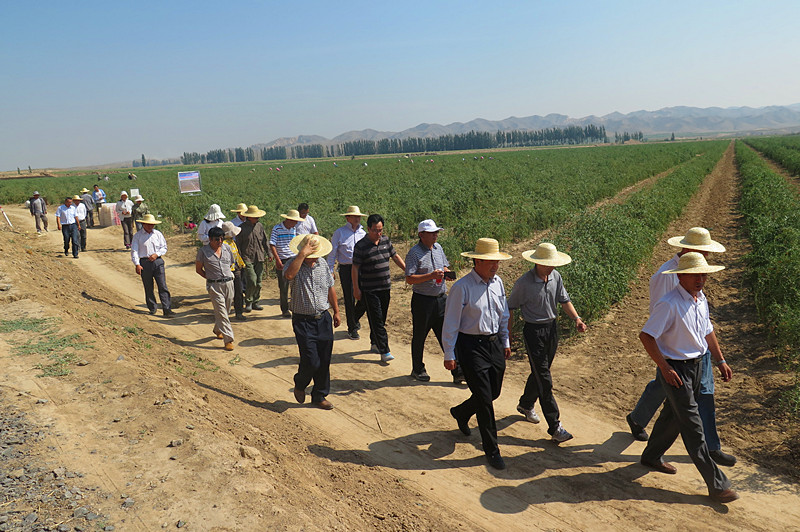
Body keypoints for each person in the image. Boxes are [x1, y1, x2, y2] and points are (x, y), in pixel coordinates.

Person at [626, 228, 736, 466]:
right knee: (670, 390)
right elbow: (658, 317)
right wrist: (664, 360)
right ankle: (706, 453)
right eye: (703, 251)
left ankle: (710, 446)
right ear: (688, 249)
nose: (706, 257)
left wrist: (719, 358)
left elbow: (701, 317)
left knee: (698, 394)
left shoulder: (696, 276)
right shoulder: (665, 276)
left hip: (697, 349)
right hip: (674, 351)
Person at [639, 252, 738, 503]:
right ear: (680, 276)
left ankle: (651, 455)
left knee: (673, 416)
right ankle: (718, 485)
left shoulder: (700, 299)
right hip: (676, 370)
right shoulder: (669, 303)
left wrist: (720, 360)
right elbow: (646, 336)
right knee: (694, 427)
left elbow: (707, 331)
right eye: (695, 275)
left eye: (703, 275)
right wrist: (664, 367)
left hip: (697, 366)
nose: (700, 279)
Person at [442, 238, 512, 470]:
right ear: (478, 261)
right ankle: (492, 450)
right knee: (484, 400)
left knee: (493, 392)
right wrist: (449, 353)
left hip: (494, 344)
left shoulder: (498, 283)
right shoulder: (462, 288)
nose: (495, 266)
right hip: (471, 346)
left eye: (497, 262)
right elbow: (451, 323)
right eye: (491, 262)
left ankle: (461, 412)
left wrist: (505, 340)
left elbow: (503, 315)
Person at [508, 243, 587, 443]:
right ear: (538, 263)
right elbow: (510, 308)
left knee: (540, 372)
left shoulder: (556, 277)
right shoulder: (524, 283)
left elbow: (564, 300)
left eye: (553, 264)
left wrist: (576, 319)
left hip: (552, 330)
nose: (552, 267)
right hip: (533, 332)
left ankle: (526, 404)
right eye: (548, 264)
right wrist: (507, 335)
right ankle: (555, 426)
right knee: (544, 378)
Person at [285, 234, 341, 410]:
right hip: (303, 321)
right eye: (310, 253)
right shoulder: (294, 263)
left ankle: (319, 395)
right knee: (311, 360)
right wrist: (302, 255)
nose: (314, 257)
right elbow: (289, 275)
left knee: (324, 359)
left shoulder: (322, 264)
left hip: (323, 318)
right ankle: (300, 383)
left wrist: (336, 311)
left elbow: (330, 288)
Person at [404, 219, 462, 383]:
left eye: (436, 232)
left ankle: (457, 371)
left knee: (447, 335)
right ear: (421, 235)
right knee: (420, 336)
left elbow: (444, 266)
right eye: (432, 233)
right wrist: (431, 276)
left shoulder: (438, 248)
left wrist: (446, 273)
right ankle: (418, 369)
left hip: (441, 299)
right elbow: (409, 278)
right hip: (422, 301)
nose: (435, 235)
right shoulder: (414, 253)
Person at [352, 214, 406, 363]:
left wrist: (407, 270)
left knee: (381, 318)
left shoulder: (386, 241)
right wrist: (356, 288)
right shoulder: (361, 246)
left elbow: (395, 256)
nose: (378, 233)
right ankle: (384, 350)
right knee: (376, 320)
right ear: (368, 229)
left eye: (380, 230)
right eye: (375, 230)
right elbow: (355, 268)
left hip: (385, 287)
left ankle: (375, 343)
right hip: (369, 289)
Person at [327, 206, 368, 340]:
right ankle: (352, 328)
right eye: (354, 216)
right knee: (349, 298)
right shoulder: (339, 233)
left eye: (359, 216)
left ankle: (354, 318)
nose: (357, 218)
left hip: (362, 268)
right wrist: (330, 270)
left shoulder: (363, 233)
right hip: (346, 268)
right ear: (347, 218)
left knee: (365, 296)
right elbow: (332, 252)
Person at [196, 227, 236, 351]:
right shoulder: (203, 252)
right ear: (210, 239)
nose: (220, 241)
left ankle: (218, 329)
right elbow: (198, 269)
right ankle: (228, 339)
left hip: (229, 283)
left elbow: (231, 263)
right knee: (221, 311)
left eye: (221, 239)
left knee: (226, 310)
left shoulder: (227, 248)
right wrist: (210, 278)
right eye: (217, 239)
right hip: (214, 286)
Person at [130, 214, 175, 317]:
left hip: (157, 262)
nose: (150, 226)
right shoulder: (138, 236)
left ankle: (167, 309)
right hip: (144, 262)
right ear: (143, 224)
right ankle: (152, 307)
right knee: (148, 286)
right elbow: (134, 251)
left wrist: (156, 254)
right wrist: (137, 264)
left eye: (152, 225)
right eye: (148, 224)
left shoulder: (158, 234)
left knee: (162, 285)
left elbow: (164, 247)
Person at [236, 205, 270, 312]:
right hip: (247, 257)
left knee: (259, 282)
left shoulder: (260, 226)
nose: (257, 218)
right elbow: (238, 245)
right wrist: (239, 259)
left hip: (259, 257)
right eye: (255, 217)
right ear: (249, 217)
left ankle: (255, 301)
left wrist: (269, 253)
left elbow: (265, 241)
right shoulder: (241, 228)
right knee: (252, 280)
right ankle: (248, 301)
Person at [270, 209, 303, 318]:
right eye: (295, 221)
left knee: (295, 285)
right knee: (284, 286)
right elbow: (272, 245)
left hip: (293, 259)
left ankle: (294, 307)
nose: (296, 223)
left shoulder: (294, 229)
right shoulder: (277, 229)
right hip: (283, 260)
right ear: (289, 219)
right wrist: (277, 260)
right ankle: (284, 309)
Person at [222, 221, 247, 321]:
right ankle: (225, 313)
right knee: (228, 294)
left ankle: (239, 312)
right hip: (227, 272)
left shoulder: (232, 242)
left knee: (238, 291)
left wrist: (242, 265)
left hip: (236, 270)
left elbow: (237, 255)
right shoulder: (223, 244)